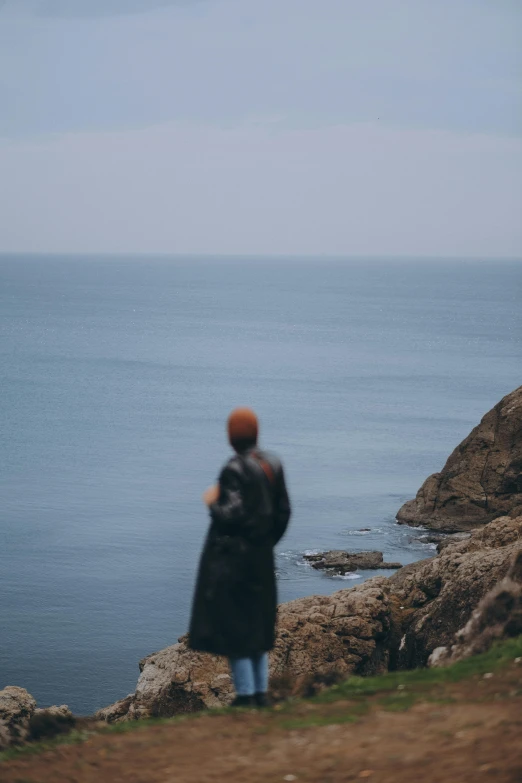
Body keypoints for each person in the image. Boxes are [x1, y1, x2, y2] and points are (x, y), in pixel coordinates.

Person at [188, 407, 291, 707]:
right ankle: (259, 692)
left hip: (234, 562)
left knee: (235, 627)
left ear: (231, 437)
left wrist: (211, 502)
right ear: (256, 433)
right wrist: (267, 543)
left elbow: (229, 516)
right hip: (261, 558)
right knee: (257, 625)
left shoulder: (234, 469)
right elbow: (284, 512)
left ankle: (246, 695)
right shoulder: (272, 463)